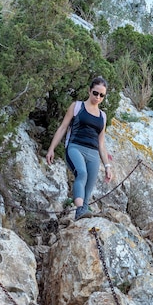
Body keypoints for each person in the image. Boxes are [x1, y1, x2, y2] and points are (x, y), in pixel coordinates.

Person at [46, 77, 113, 220]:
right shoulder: (76, 106)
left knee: (88, 189)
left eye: (102, 95)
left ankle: (81, 214)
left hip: (93, 153)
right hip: (75, 147)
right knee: (81, 174)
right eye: (95, 93)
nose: (98, 97)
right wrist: (51, 148)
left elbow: (101, 143)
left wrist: (107, 166)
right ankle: (79, 209)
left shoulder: (103, 116)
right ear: (89, 91)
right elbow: (63, 127)